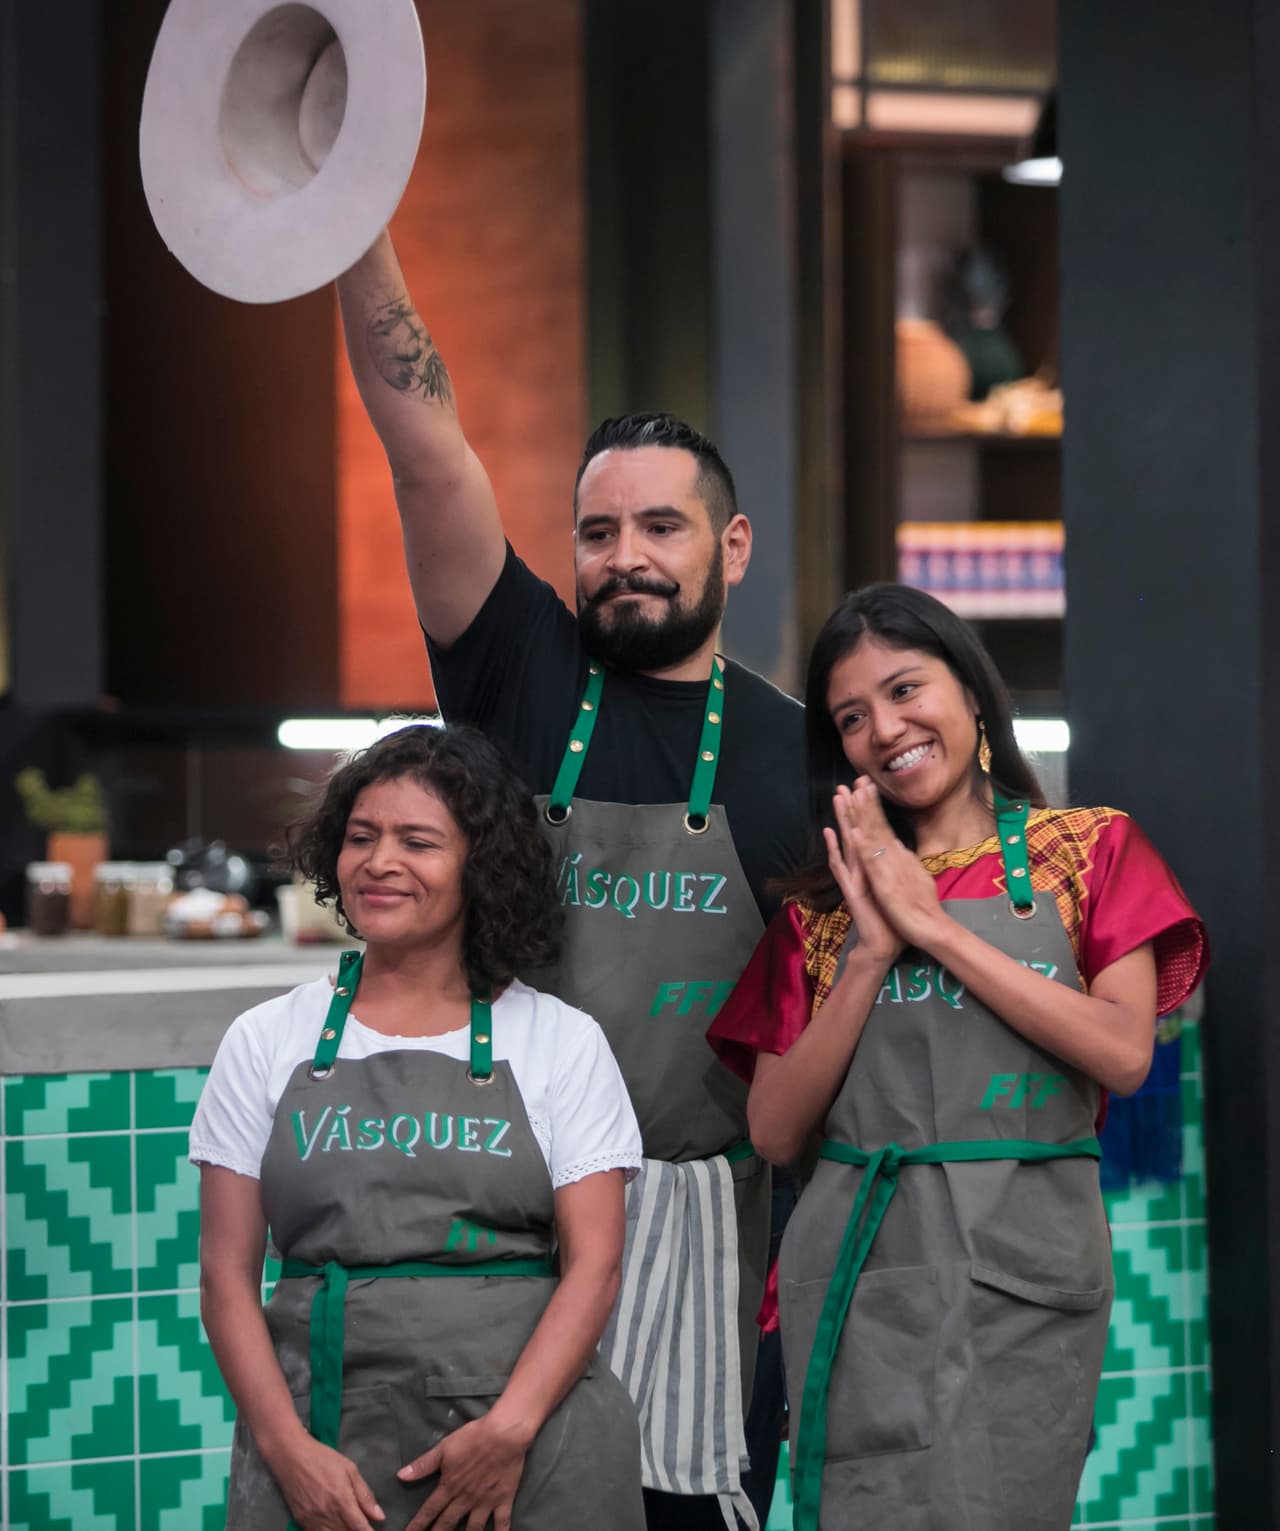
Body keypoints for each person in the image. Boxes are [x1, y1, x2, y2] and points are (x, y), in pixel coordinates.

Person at [334, 234, 808, 1529]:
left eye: (662, 524)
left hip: (704, 1249)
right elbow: (424, 435)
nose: (626, 554)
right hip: (502, 1226)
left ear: (735, 544)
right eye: (597, 529)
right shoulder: (521, 673)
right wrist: (348, 227)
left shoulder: (798, 752)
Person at [707, 584, 1208, 1531]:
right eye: (853, 718)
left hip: (1029, 1272)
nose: (885, 729)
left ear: (971, 689)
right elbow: (775, 1132)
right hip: (862, 1283)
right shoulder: (822, 913)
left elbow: (1122, 1052)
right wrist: (868, 951)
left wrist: (933, 928)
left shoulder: (1090, 850)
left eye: (905, 690)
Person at [190, 724, 646, 1531]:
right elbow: (227, 1279)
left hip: (531, 1451)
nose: (380, 862)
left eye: (418, 840)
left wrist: (508, 1431)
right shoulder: (266, 1039)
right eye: (361, 837)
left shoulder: (559, 1041)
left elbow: (596, 1266)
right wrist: (287, 1449)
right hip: (321, 1446)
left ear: (481, 866)